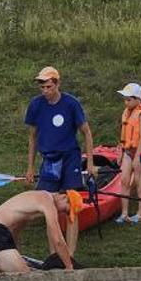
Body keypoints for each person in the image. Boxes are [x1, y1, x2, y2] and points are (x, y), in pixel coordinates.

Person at [24, 65, 97, 193]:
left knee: (71, 195)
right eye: (42, 88)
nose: (45, 91)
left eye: (49, 87)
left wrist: (90, 164)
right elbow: (32, 137)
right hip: (49, 158)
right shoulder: (35, 105)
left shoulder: (71, 104)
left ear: (57, 84)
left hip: (70, 156)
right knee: (45, 196)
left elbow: (86, 133)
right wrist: (30, 168)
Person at [0, 189, 82, 273]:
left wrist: (18, 256)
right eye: (65, 210)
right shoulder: (46, 198)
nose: (61, 213)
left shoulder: (30, 205)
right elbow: (57, 239)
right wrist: (69, 266)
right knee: (26, 280)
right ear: (63, 197)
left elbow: (15, 232)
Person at [114, 82, 141, 225]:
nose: (126, 102)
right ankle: (124, 213)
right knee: (124, 181)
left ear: (138, 99)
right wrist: (120, 151)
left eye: (129, 99)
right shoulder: (126, 112)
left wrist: (137, 157)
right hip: (127, 151)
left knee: (138, 181)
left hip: (140, 152)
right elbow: (123, 134)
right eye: (125, 99)